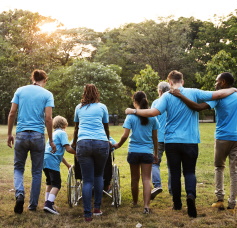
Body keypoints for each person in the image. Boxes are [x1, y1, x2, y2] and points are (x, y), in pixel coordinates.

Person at [125, 70, 237, 218]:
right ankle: (190, 196)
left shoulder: (166, 96)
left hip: (172, 141)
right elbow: (218, 94)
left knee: (175, 173)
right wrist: (233, 89)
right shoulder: (194, 92)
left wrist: (133, 111)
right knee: (190, 172)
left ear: (170, 82)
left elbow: (152, 112)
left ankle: (177, 204)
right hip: (190, 141)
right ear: (182, 81)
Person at [170, 72, 237, 214]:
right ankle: (232, 204)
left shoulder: (219, 98)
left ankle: (220, 200)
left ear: (223, 82)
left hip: (222, 137)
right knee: (235, 171)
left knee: (219, 167)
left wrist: (181, 96)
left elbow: (198, 107)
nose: (215, 84)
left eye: (217, 81)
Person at [7, 69, 56, 214]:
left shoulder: (20, 91)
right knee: (36, 172)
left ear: (32, 78)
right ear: (44, 80)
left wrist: (9, 134)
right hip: (37, 136)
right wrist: (51, 140)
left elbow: (12, 113)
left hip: (21, 134)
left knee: (18, 168)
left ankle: (19, 193)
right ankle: (32, 205)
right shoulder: (47, 94)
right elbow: (48, 118)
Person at [114, 91, 159, 214]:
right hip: (147, 152)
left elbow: (125, 135)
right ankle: (146, 206)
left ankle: (135, 202)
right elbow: (155, 138)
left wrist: (118, 145)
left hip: (133, 151)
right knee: (146, 179)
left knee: (135, 179)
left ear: (135, 102)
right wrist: (155, 153)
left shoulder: (130, 117)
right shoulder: (152, 117)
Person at [71, 84, 110, 222]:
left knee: (87, 180)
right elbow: (106, 128)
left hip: (83, 143)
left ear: (84, 93)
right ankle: (97, 208)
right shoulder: (102, 107)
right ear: (97, 93)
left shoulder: (78, 108)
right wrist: (108, 141)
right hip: (101, 143)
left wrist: (74, 143)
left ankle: (87, 214)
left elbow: (76, 128)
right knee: (99, 176)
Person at [43, 116, 76, 215]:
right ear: (64, 124)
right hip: (52, 161)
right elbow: (68, 148)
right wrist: (79, 154)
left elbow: (59, 154)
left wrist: (67, 165)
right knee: (57, 184)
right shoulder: (62, 133)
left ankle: (47, 203)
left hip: (44, 159)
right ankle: (49, 204)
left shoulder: (53, 134)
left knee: (49, 182)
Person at [151, 81, 171, 200]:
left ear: (159, 91)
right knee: (171, 165)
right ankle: (172, 189)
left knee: (155, 162)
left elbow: (152, 120)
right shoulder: (174, 102)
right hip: (171, 138)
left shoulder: (156, 102)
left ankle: (157, 185)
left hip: (158, 137)